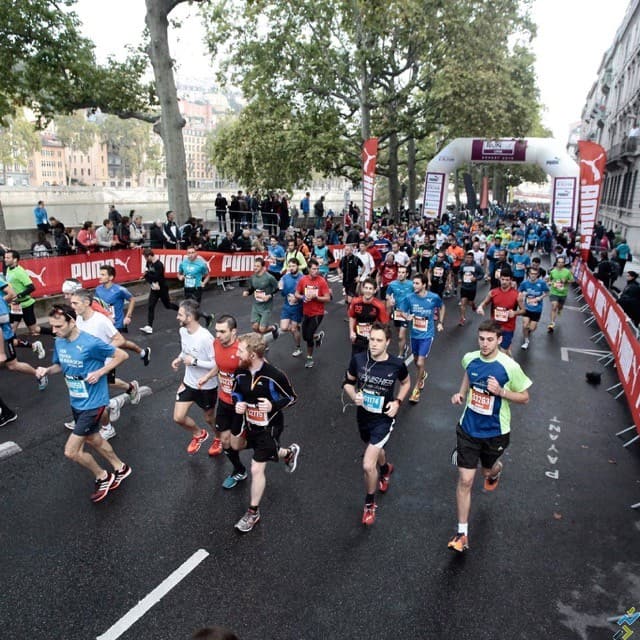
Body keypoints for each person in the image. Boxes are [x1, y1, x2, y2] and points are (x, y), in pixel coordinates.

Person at [34, 304, 132, 503]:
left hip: (93, 402)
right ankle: (121, 467)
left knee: (71, 452)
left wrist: (100, 372)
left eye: (58, 326)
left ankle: (103, 476)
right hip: (77, 400)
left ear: (71, 321)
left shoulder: (90, 343)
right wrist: (46, 370)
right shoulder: (60, 342)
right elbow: (59, 366)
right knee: (93, 439)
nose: (54, 330)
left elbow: (122, 355)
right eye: (52, 326)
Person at [448, 320, 531, 553]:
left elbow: (525, 397)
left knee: (487, 471)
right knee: (465, 480)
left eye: (490, 340)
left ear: (499, 340)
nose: (484, 344)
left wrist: (501, 392)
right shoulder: (470, 358)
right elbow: (468, 374)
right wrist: (461, 393)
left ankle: (495, 471)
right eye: (481, 339)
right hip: (468, 428)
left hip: (495, 432)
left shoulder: (509, 367)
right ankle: (462, 533)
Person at [231, 332, 300, 533]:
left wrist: (272, 405)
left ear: (253, 354)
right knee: (236, 445)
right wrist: (238, 404)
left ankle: (253, 512)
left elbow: (292, 398)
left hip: (270, 426)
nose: (237, 354)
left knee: (256, 468)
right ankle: (287, 453)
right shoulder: (240, 371)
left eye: (241, 350)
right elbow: (236, 391)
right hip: (249, 423)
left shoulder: (274, 375)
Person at [343, 322, 411, 526]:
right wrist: (353, 395)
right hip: (363, 417)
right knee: (375, 447)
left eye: (379, 340)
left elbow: (407, 383)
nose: (373, 344)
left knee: (367, 464)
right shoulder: (358, 360)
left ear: (387, 342)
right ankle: (386, 469)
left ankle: (370, 504)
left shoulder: (396, 364)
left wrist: (397, 402)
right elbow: (347, 383)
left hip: (383, 419)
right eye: (371, 339)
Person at [70, 289, 143, 439]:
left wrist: (101, 351)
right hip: (88, 364)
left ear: (86, 302)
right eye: (71, 303)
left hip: (102, 363)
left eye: (75, 303)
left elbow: (120, 340)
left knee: (96, 397)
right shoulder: (79, 318)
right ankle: (128, 390)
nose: (72, 306)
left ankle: (107, 424)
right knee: (100, 388)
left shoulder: (100, 321)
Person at [197, 315, 247, 485]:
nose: (218, 335)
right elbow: (219, 364)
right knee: (225, 441)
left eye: (222, 331)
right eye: (216, 331)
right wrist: (208, 376)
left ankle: (282, 453)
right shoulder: (216, 344)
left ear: (234, 331)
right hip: (225, 401)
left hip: (242, 405)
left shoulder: (242, 350)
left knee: (241, 444)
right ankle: (239, 470)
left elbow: (260, 370)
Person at [171, 300, 219, 455]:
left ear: (190, 317)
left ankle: (218, 438)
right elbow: (185, 350)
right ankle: (199, 434)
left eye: (180, 314)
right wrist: (179, 358)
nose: (177, 317)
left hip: (206, 386)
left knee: (209, 418)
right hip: (189, 382)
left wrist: (194, 362)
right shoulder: (183, 331)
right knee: (178, 417)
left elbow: (216, 364)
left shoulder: (206, 338)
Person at [399, 273, 444, 403]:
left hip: (427, 335)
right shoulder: (410, 298)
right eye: (413, 283)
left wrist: (440, 322)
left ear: (424, 284)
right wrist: (406, 316)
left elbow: (442, 307)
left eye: (417, 283)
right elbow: (402, 310)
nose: (414, 285)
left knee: (420, 362)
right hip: (414, 335)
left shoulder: (433, 297)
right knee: (415, 360)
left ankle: (416, 391)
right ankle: (422, 374)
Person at [95, 265, 151, 362]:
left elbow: (132, 299)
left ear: (111, 277)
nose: (100, 276)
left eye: (103, 274)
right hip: (103, 322)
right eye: (100, 274)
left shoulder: (120, 290)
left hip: (116, 323)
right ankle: (143, 352)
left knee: (109, 348)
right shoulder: (98, 289)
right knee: (122, 343)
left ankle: (108, 371)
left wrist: (128, 316)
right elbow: (96, 304)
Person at [4, 249, 49, 356]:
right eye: (4, 257)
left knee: (34, 329)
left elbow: (31, 287)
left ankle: (56, 333)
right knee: (11, 331)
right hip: (16, 306)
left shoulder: (20, 272)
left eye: (7, 258)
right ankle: (14, 356)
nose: (5, 259)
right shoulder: (8, 269)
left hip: (26, 304)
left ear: (15, 260)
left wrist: (18, 296)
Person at [476, 267, 523, 356]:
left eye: (507, 280)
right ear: (499, 279)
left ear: (511, 281)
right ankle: (511, 361)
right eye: (502, 279)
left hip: (508, 328)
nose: (504, 282)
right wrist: (480, 307)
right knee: (494, 350)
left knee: (502, 353)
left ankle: (504, 366)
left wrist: (515, 313)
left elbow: (524, 310)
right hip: (495, 326)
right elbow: (485, 302)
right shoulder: (493, 292)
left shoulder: (517, 294)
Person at [295, 258, 331, 368]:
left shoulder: (321, 281)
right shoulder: (303, 280)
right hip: (306, 312)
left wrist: (317, 297)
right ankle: (318, 337)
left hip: (318, 313)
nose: (317, 271)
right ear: (309, 269)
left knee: (309, 336)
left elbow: (327, 298)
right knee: (305, 336)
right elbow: (296, 293)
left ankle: (309, 358)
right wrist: (302, 297)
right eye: (314, 269)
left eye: (317, 269)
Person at [140, 249, 179, 334]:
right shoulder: (149, 263)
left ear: (150, 256)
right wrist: (146, 276)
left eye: (146, 258)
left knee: (168, 305)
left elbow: (156, 277)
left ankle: (181, 310)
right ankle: (149, 326)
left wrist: (147, 275)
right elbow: (147, 273)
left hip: (162, 288)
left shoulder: (159, 265)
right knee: (151, 306)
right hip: (154, 289)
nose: (145, 260)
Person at [347, 278, 389, 356]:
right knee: (355, 357)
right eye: (366, 288)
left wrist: (381, 340)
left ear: (374, 291)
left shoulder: (379, 306)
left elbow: (385, 324)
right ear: (362, 289)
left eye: (370, 289)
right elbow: (352, 317)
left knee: (369, 360)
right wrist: (351, 332)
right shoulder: (355, 302)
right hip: (358, 336)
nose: (368, 291)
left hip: (372, 337)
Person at [243, 256, 280, 340]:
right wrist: (247, 292)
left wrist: (269, 295)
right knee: (255, 327)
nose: (255, 268)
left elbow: (277, 288)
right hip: (256, 304)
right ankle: (262, 343)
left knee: (262, 329)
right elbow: (252, 288)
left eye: (257, 266)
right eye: (254, 266)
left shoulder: (269, 277)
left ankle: (273, 328)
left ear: (263, 267)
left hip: (266, 306)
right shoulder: (253, 277)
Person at [385, 264, 414, 358]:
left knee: (401, 335)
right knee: (398, 332)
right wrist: (390, 299)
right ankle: (404, 347)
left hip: (406, 312)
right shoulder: (392, 284)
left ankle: (401, 355)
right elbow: (387, 295)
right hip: (396, 312)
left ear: (407, 274)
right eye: (399, 272)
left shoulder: (411, 284)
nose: (400, 274)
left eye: (403, 272)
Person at [517, 267, 549, 351]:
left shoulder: (541, 283)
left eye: (535, 274)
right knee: (524, 325)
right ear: (528, 274)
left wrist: (540, 298)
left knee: (531, 328)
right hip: (527, 308)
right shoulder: (524, 283)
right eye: (531, 273)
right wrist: (522, 294)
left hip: (537, 309)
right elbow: (519, 292)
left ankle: (531, 327)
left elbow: (547, 292)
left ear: (537, 275)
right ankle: (526, 341)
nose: (533, 275)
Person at [279, 258, 304, 356]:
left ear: (298, 266)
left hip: (298, 308)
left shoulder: (302, 278)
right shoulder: (285, 278)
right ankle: (299, 327)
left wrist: (298, 298)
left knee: (294, 330)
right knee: (284, 328)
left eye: (293, 266)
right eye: (289, 266)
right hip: (287, 307)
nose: (291, 268)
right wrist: (281, 288)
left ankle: (298, 348)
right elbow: (283, 294)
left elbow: (306, 294)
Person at [547, 257, 574, 333]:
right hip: (554, 292)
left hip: (563, 293)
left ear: (564, 263)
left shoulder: (567, 272)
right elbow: (549, 280)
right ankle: (552, 323)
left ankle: (560, 309)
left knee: (560, 307)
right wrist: (549, 283)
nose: (560, 263)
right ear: (556, 263)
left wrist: (566, 281)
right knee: (554, 306)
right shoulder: (553, 271)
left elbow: (572, 280)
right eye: (559, 262)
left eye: (562, 262)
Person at [458, 252, 484, 326]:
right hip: (464, 287)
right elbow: (460, 273)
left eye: (470, 258)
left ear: (473, 258)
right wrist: (460, 279)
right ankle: (462, 318)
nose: (468, 259)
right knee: (463, 303)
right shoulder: (463, 266)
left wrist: (476, 278)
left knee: (470, 302)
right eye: (467, 257)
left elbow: (482, 274)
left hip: (472, 288)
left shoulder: (477, 266)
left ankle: (473, 305)